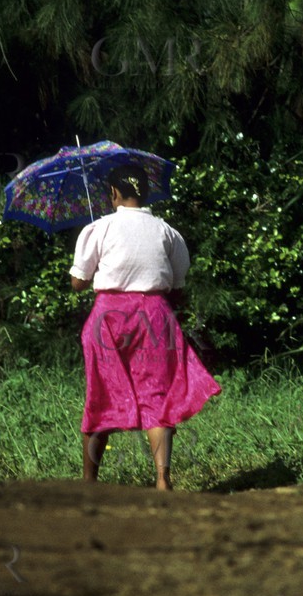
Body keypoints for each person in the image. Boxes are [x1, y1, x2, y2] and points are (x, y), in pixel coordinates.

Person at [69, 163, 220, 490]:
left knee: (101, 395)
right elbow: (178, 281)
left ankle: (88, 484)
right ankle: (163, 480)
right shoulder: (168, 231)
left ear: (113, 193)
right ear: (145, 193)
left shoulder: (99, 228)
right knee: (157, 397)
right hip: (155, 316)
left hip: (108, 319)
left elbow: (78, 282)